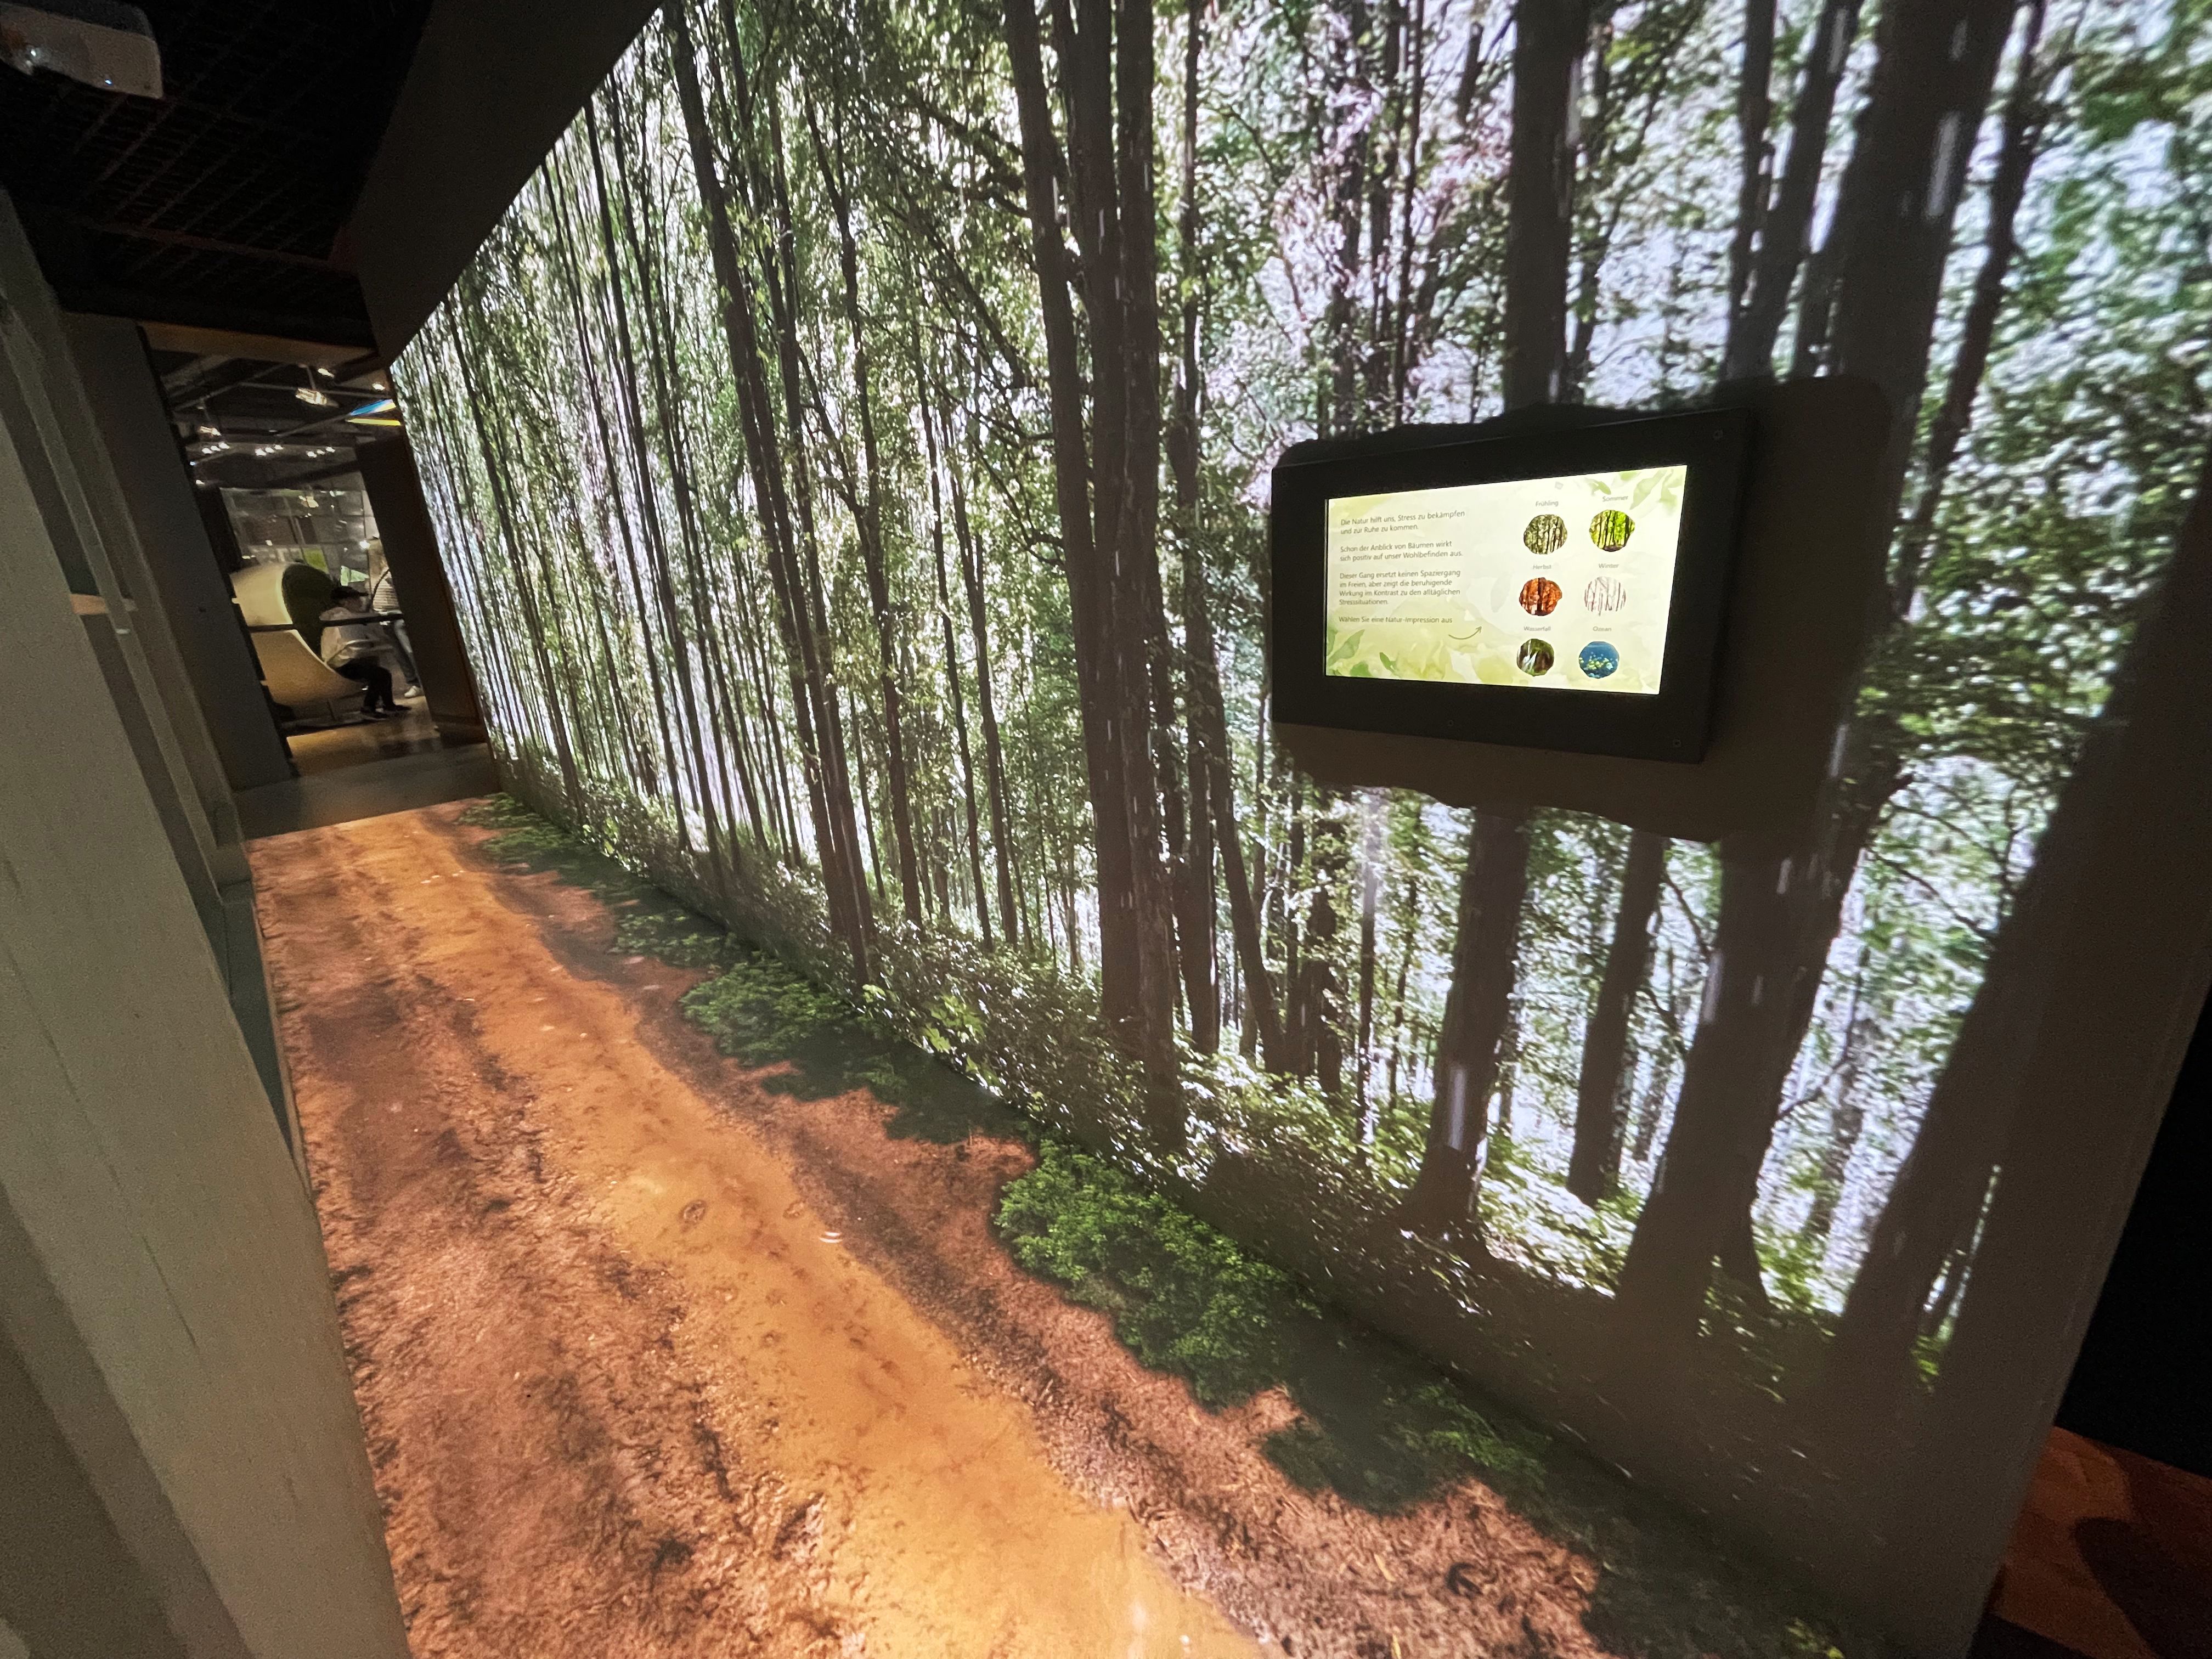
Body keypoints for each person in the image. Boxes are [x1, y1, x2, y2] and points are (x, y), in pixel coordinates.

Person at [319, 585, 403, 719]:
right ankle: (369, 708)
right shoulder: (343, 618)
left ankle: (388, 706)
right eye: (356, 599)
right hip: (343, 663)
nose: (360, 602)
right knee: (381, 675)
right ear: (345, 602)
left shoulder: (341, 617)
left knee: (380, 673)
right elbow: (351, 643)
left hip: (344, 660)